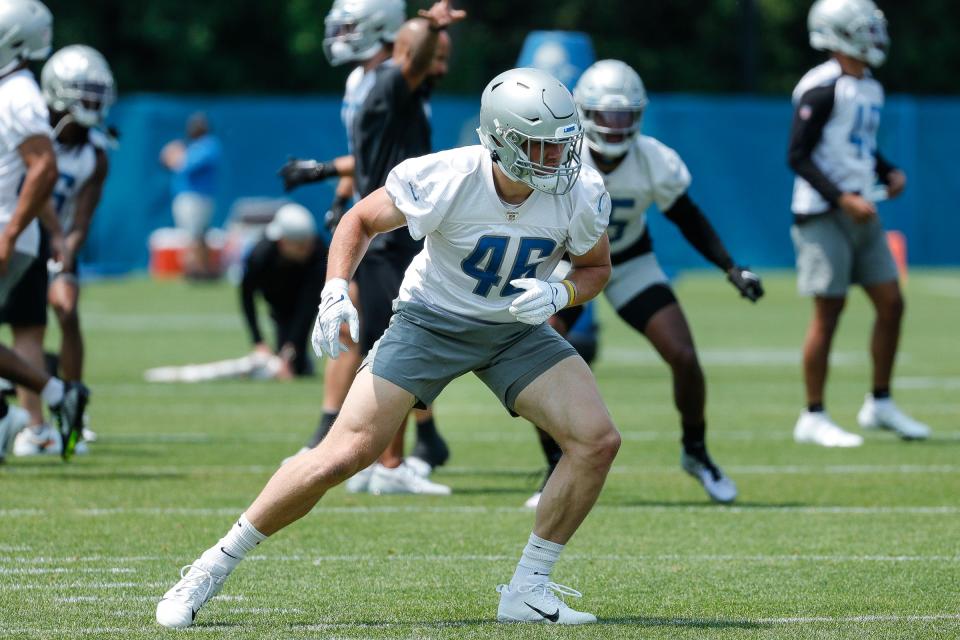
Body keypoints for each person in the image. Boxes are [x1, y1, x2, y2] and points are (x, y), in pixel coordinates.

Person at [156, 67, 617, 628]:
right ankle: (211, 566)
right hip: (432, 321)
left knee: (596, 441)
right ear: (500, 140)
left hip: (515, 330)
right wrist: (333, 291)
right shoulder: (447, 175)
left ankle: (529, 587)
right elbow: (359, 219)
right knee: (343, 453)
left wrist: (559, 291)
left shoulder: (581, 191)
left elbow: (596, 268)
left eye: (564, 144)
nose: (558, 159)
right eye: (542, 146)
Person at [524, 59, 764, 508]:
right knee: (542, 354)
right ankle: (556, 462)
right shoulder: (559, 155)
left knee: (684, 356)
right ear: (582, 112)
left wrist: (731, 267)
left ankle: (696, 452)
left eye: (624, 117)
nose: (614, 128)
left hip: (630, 260)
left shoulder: (652, 158)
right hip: (568, 265)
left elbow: (686, 215)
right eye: (605, 116)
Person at [283, 2, 460, 495]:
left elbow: (363, 162)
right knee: (393, 345)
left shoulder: (371, 88)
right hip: (391, 234)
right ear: (404, 49)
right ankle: (387, 464)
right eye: (430, 56)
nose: (436, 66)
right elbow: (413, 58)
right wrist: (429, 26)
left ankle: (386, 458)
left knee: (386, 340)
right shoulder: (386, 82)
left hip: (391, 230)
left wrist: (332, 184)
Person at [789, 0, 929, 447]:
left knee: (892, 303)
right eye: (864, 29)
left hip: (862, 209)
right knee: (828, 313)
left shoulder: (869, 85)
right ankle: (812, 414)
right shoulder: (822, 87)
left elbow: (858, 147)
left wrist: (887, 171)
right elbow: (798, 155)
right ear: (838, 33)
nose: (873, 36)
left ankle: (880, 402)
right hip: (822, 214)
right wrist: (841, 197)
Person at [277, 0, 404, 467]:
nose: (342, 35)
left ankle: (392, 455)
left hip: (399, 218)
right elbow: (362, 153)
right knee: (347, 317)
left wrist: (323, 170)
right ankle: (332, 427)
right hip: (370, 214)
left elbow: (384, 156)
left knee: (394, 328)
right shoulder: (359, 79)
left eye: (351, 26)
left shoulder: (397, 80)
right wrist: (340, 197)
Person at [5, 44, 113, 457]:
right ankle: (33, 412)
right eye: (83, 91)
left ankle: (68, 409)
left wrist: (66, 247)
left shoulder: (95, 154)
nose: (92, 102)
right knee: (23, 326)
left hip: (51, 241)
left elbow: (81, 216)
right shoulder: (29, 128)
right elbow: (36, 186)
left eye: (96, 92)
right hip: (24, 233)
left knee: (63, 310)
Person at [0, 0, 89, 461]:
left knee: (25, 332)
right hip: (11, 230)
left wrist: (10, 234)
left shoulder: (18, 92)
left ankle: (37, 406)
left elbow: (44, 167)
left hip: (4, 230)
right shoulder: (10, 89)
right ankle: (53, 398)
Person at [240, 203, 326, 378]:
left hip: (304, 297)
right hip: (277, 300)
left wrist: (292, 346)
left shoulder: (318, 253)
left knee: (296, 363)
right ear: (282, 242)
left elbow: (308, 304)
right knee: (287, 358)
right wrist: (258, 341)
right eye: (301, 246)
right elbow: (247, 297)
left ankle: (299, 360)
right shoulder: (259, 257)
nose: (307, 249)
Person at [160, 112, 221, 279]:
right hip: (191, 197)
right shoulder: (193, 147)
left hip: (197, 198)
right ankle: (195, 270)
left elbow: (184, 165)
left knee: (198, 236)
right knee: (192, 236)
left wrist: (173, 155)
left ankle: (200, 269)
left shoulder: (208, 144)